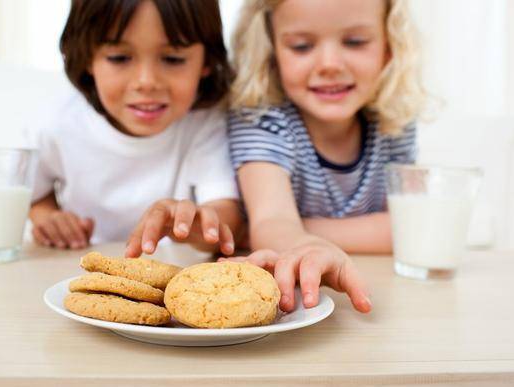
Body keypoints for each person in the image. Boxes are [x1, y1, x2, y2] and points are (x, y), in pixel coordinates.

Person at [220, 0, 427, 313]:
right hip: (299, 302)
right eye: (302, 46)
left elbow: (407, 226)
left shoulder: (393, 121)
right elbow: (272, 220)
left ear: (389, 47)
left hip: (385, 293)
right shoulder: (262, 120)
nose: (329, 64)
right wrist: (308, 245)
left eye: (355, 42)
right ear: (272, 53)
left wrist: (303, 230)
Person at [28, 0, 242, 257]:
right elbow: (33, 193)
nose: (146, 82)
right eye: (119, 57)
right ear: (86, 57)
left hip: (169, 272)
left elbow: (226, 216)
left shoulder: (205, 122)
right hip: (77, 266)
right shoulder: (59, 122)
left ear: (206, 61)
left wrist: (196, 225)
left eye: (173, 59)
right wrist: (47, 215)